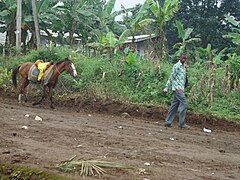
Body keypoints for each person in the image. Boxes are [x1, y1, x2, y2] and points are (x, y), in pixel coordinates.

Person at [163, 53, 190, 129]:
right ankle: (182, 123)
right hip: (177, 88)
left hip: (181, 88)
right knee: (184, 103)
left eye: (185, 58)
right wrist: (166, 87)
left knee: (174, 106)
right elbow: (172, 77)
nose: (184, 60)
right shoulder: (176, 66)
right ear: (179, 58)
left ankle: (168, 122)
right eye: (182, 58)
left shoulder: (184, 67)